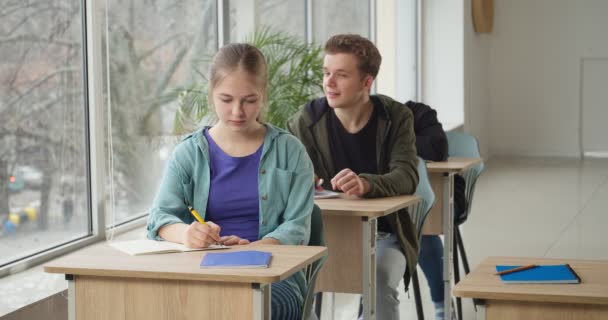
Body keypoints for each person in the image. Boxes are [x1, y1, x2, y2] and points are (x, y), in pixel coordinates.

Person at [147, 43, 315, 320]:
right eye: (226, 99)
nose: (238, 111)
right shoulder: (188, 153)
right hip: (200, 268)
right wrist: (188, 234)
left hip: (272, 272)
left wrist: (252, 250)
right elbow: (160, 217)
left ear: (263, 95)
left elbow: (297, 225)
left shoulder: (291, 151)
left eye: (249, 100)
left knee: (255, 308)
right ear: (211, 94)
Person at [288, 34, 419, 320]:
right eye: (326, 73)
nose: (329, 83)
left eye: (341, 75)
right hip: (322, 235)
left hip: (386, 233)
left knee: (380, 278)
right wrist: (299, 180)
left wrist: (368, 184)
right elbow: (285, 178)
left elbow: (407, 175)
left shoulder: (396, 117)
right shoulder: (305, 120)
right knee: (291, 281)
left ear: (366, 82)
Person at [405, 100, 466, 320]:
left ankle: (441, 303)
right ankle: (369, 306)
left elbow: (437, 147)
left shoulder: (418, 112)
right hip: (398, 200)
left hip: (443, 196)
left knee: (420, 225)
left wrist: (396, 140)